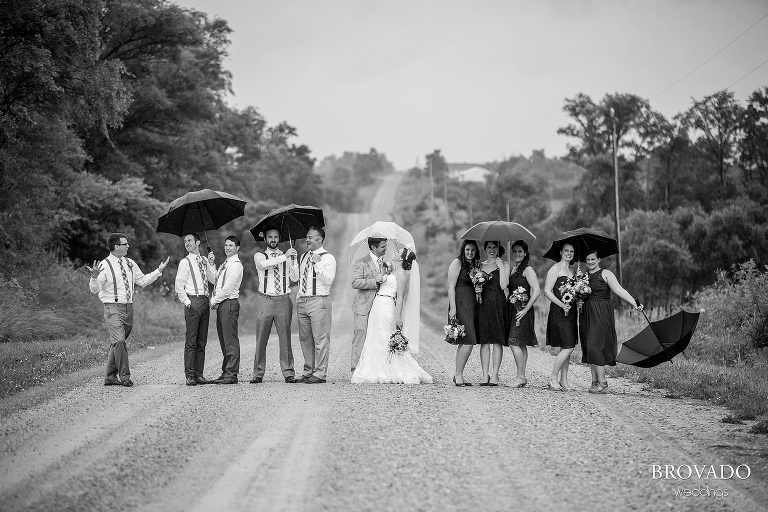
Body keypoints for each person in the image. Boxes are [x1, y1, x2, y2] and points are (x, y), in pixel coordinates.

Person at [87, 233, 169, 387]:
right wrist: (93, 277)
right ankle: (125, 376)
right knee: (118, 340)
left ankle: (110, 377)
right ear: (116, 246)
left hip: (128, 308)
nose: (128, 246)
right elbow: (95, 289)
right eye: (125, 244)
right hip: (112, 307)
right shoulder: (104, 265)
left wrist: (158, 270)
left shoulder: (130, 263)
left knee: (118, 342)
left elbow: (143, 281)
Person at [351, 247, 431, 384]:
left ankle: (391, 368)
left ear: (401, 258)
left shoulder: (403, 275)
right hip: (376, 305)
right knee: (374, 336)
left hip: (387, 305)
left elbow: (399, 298)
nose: (394, 252)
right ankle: (374, 367)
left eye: (398, 252)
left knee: (386, 335)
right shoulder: (391, 270)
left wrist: (398, 317)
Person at [580, 249, 643, 393]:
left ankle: (603, 383)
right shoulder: (583, 276)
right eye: (587, 260)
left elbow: (619, 290)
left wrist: (634, 303)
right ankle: (594, 381)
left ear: (599, 259)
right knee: (589, 346)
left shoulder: (606, 274)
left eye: (593, 259)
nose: (590, 262)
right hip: (586, 314)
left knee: (596, 345)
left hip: (601, 313)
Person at [251, 227, 299, 384]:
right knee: (261, 338)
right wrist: (284, 256)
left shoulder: (287, 255)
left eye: (276, 237)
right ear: (265, 239)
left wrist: (293, 261)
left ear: (280, 238)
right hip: (265, 299)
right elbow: (263, 265)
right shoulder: (260, 256)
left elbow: (295, 277)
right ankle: (258, 373)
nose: (273, 239)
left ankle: (288, 372)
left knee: (285, 338)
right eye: (270, 237)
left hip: (283, 299)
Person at [295, 226, 336, 384]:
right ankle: (308, 370)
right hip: (303, 300)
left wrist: (318, 264)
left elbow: (329, 280)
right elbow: (298, 279)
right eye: (307, 237)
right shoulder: (304, 256)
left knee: (320, 339)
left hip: (319, 300)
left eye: (310, 237)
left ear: (319, 239)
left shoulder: (328, 258)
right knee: (305, 339)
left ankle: (320, 374)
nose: (307, 240)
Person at [175, 233, 216, 386]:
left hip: (205, 300)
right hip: (193, 300)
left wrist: (211, 264)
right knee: (191, 340)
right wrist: (187, 302)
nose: (187, 243)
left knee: (202, 340)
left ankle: (199, 374)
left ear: (198, 242)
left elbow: (213, 279)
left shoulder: (205, 260)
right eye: (185, 241)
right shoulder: (185, 262)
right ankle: (190, 375)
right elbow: (179, 286)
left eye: (190, 241)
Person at [351, 237, 388, 372]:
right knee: (360, 335)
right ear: (373, 247)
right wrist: (374, 281)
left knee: (378, 336)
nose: (386, 248)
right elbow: (355, 282)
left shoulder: (386, 264)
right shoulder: (361, 262)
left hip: (381, 306)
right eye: (383, 246)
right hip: (363, 306)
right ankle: (356, 368)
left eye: (385, 246)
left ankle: (376, 368)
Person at [209, 235, 244, 384]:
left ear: (237, 248)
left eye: (231, 245)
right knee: (224, 340)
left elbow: (228, 288)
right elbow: (215, 280)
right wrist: (211, 264)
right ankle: (226, 371)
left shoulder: (235, 264)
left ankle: (232, 373)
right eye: (226, 245)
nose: (228, 248)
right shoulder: (225, 264)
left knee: (230, 340)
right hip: (223, 303)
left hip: (229, 302)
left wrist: (214, 300)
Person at [543, 243, 578, 391]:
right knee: (568, 347)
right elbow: (547, 291)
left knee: (567, 344)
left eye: (571, 251)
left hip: (571, 312)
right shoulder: (555, 269)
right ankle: (553, 378)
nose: (569, 253)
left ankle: (564, 380)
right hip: (559, 311)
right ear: (561, 252)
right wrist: (561, 305)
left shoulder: (572, 271)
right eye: (566, 251)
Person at [446, 239, 481, 387]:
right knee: (469, 340)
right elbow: (450, 286)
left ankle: (458, 374)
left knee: (464, 339)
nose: (470, 253)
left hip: (472, 304)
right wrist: (453, 308)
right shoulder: (457, 263)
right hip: (460, 303)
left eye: (473, 250)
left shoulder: (475, 265)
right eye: (467, 250)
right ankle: (458, 374)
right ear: (463, 250)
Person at [507, 240, 540, 388]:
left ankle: (520, 376)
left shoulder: (528, 270)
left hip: (523, 311)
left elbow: (537, 290)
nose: (517, 254)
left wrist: (526, 309)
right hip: (513, 309)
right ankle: (522, 375)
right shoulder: (514, 269)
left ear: (525, 253)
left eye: (520, 251)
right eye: (514, 251)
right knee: (520, 343)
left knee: (513, 342)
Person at [476, 241, 509, 386]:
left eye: (494, 247)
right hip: (482, 305)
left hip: (498, 304)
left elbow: (503, 285)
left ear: (498, 248)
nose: (492, 250)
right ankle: (485, 375)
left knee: (497, 341)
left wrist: (500, 266)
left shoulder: (505, 264)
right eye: (489, 247)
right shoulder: (479, 266)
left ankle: (495, 375)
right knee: (484, 341)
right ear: (485, 249)